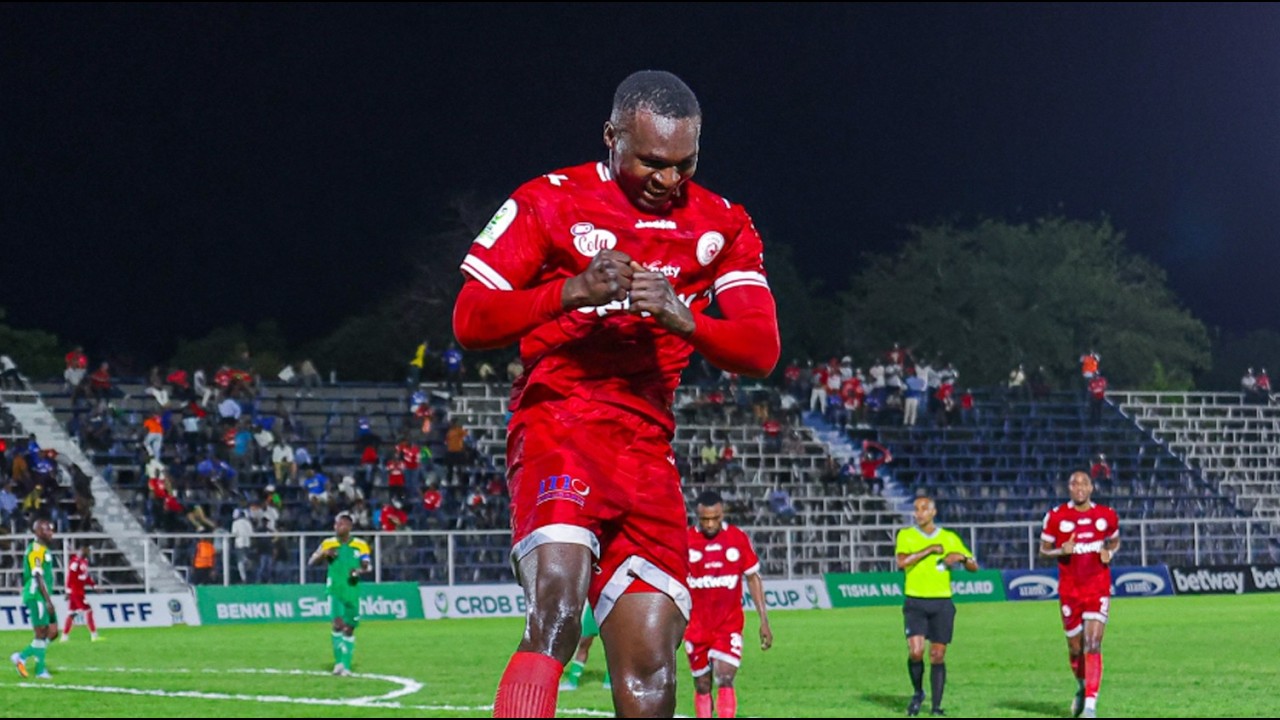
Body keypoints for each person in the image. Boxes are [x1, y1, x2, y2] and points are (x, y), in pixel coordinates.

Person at [451, 69, 780, 718]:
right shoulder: (550, 201)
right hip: (559, 427)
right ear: (611, 137)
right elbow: (470, 319)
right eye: (652, 162)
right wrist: (568, 291)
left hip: (646, 455)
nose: (668, 180)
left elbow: (761, 349)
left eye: (684, 163)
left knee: (652, 663)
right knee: (557, 611)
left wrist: (688, 319)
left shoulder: (722, 224)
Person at [685, 490, 773, 718]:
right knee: (702, 685)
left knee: (725, 677)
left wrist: (764, 621)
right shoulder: (686, 541)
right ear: (698, 515)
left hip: (728, 625)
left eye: (715, 518)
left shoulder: (737, 538)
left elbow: (753, 577)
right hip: (696, 627)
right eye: (705, 519)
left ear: (722, 513)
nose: (711, 523)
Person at [1040, 471, 1120, 719]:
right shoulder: (1055, 517)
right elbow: (1044, 550)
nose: (1079, 487)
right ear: (1069, 488)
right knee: (1076, 648)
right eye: (1074, 483)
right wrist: (1061, 551)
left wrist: (1109, 552)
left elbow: (1114, 541)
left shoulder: (1106, 515)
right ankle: (1083, 688)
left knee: (1093, 643)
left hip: (1097, 588)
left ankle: (1090, 707)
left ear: (1092, 487)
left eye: (1084, 483)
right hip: (1070, 590)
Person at [895, 495, 979, 716]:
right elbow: (902, 562)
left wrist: (961, 558)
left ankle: (936, 707)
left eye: (923, 509)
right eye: (916, 509)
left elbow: (974, 566)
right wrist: (929, 550)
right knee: (916, 651)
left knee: (937, 655)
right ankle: (918, 692)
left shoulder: (949, 537)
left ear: (933, 512)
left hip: (941, 602)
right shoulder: (906, 535)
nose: (918, 513)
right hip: (915, 601)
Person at [308, 512, 372, 676]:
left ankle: (346, 666)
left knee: (349, 628)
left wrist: (358, 571)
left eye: (341, 524)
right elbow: (311, 562)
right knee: (337, 624)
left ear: (349, 527)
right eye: (336, 524)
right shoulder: (328, 543)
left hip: (352, 590)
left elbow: (367, 566)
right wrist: (324, 554)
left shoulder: (360, 545)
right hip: (335, 589)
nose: (337, 527)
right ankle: (339, 664)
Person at [11, 518, 59, 679]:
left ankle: (22, 656)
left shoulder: (43, 549)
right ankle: (39, 670)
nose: (51, 533)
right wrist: (47, 600)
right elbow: (37, 575)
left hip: (42, 595)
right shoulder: (36, 549)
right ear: (38, 531)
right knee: (41, 632)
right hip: (36, 594)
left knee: (52, 631)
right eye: (47, 530)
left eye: (51, 530)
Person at [558, 604, 611, 692]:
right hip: (593, 609)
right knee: (583, 643)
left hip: (610, 607)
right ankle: (572, 681)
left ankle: (609, 682)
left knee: (611, 646)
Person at [61, 542, 101, 642]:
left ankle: (64, 637)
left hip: (78, 592)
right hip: (76, 592)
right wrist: (68, 591)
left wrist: (94, 586)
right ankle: (94, 636)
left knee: (72, 613)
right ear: (81, 550)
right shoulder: (75, 562)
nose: (88, 552)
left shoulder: (84, 562)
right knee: (88, 610)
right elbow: (70, 577)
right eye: (86, 550)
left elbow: (85, 577)